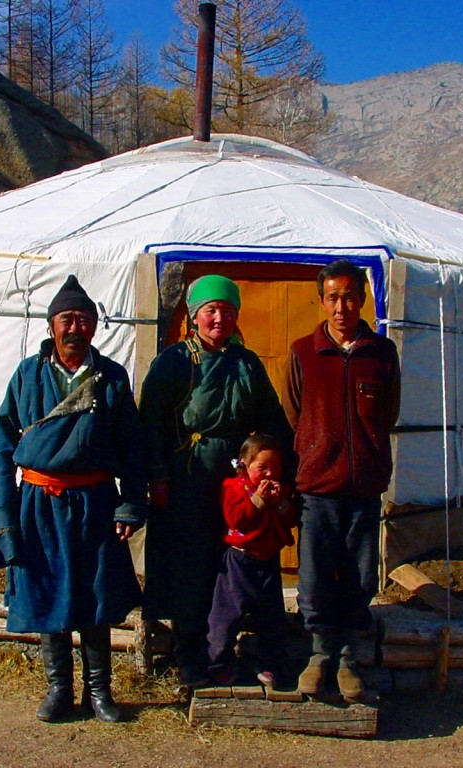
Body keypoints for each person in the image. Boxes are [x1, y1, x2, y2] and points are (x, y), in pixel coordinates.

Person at [0, 274, 147, 723]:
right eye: (67, 319)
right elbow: (1, 447)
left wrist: (131, 503)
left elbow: (133, 447)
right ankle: (58, 689)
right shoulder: (28, 375)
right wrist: (4, 517)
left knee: (95, 594)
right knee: (47, 591)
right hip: (39, 504)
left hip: (95, 502)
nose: (75, 328)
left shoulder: (110, 376)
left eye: (84, 320)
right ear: (51, 326)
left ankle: (99, 692)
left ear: (95, 326)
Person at [139, 274, 292, 688]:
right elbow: (150, 424)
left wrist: (281, 474)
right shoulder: (174, 361)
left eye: (227, 311)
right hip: (187, 479)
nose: (219, 318)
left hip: (235, 482)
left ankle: (225, 651)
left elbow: (271, 422)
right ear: (194, 316)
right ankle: (189, 653)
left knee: (233, 567)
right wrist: (158, 476)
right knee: (190, 565)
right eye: (211, 310)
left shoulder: (247, 364)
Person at [283, 259, 401, 702]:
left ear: (363, 299)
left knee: (360, 574)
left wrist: (365, 456)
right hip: (316, 487)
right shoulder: (303, 352)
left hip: (364, 486)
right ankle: (318, 656)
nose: (341, 307)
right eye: (332, 297)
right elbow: (292, 415)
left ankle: (349, 658)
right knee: (314, 576)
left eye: (349, 297)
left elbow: (388, 414)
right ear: (321, 301)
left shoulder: (382, 353)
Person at [207, 433, 297, 687]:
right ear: (245, 464)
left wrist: (280, 502)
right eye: (262, 468)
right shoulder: (233, 487)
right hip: (239, 562)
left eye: (276, 467)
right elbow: (237, 520)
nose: (270, 473)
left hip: (268, 562)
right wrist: (258, 500)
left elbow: (291, 519)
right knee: (227, 617)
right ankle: (218, 663)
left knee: (271, 618)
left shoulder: (281, 490)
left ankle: (268, 664)